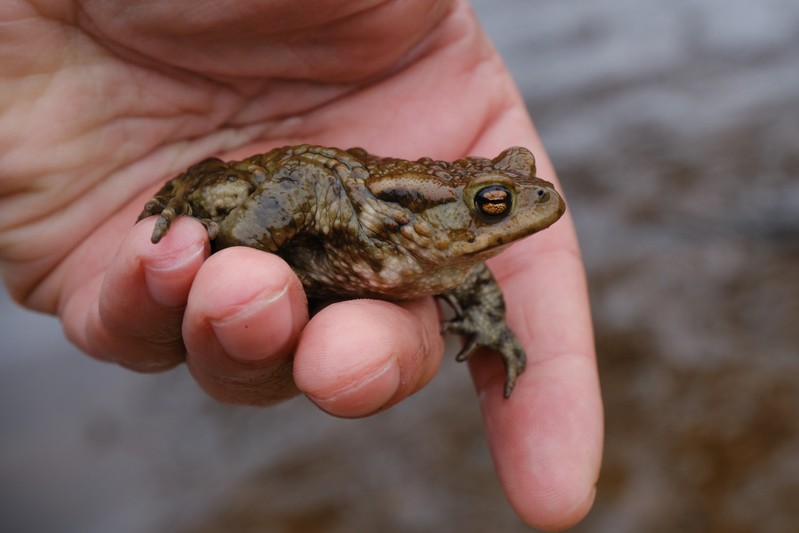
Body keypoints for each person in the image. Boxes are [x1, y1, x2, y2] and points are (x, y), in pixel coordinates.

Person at [0, 1, 602, 529]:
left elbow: (471, 273)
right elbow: (303, 196)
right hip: (287, 180)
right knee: (225, 225)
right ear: (451, 211)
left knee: (304, 336)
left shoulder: (445, 252)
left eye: (504, 194)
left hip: (347, 194)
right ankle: (184, 202)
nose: (529, 199)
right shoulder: (394, 225)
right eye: (494, 203)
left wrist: (491, 324)